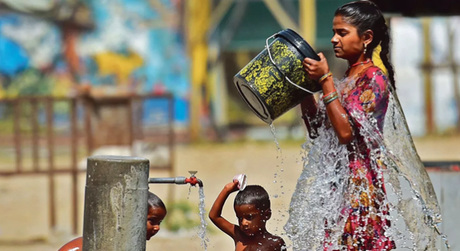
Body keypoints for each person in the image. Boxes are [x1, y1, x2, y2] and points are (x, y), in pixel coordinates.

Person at [284, 1, 440, 250]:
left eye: (342, 33)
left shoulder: (374, 78)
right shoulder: (346, 78)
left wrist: (325, 80)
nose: (334, 39)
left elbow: (345, 133)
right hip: (337, 186)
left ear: (366, 37)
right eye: (334, 32)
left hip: (361, 191)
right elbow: (318, 129)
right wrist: (305, 88)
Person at [58, 191, 167, 251]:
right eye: (152, 221)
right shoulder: (89, 247)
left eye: (159, 222)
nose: (157, 228)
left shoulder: (124, 246)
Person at [209, 182, 286, 251]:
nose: (243, 223)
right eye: (239, 218)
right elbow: (214, 216)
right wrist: (227, 190)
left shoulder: (275, 243)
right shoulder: (239, 235)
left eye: (249, 217)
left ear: (266, 215)